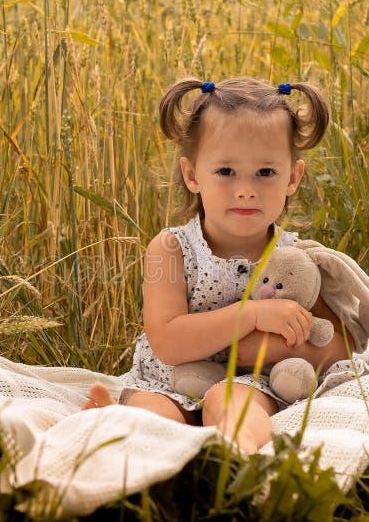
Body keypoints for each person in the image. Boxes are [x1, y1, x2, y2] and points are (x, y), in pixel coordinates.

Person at [85, 76, 353, 454]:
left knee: (234, 404)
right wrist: (252, 316)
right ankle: (120, 436)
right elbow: (168, 342)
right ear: (192, 175)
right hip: (167, 379)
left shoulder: (296, 260)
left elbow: (340, 349)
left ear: (293, 177)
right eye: (226, 172)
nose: (246, 189)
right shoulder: (171, 248)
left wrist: (276, 350)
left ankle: (233, 458)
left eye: (265, 172)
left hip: (249, 383)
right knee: (152, 414)